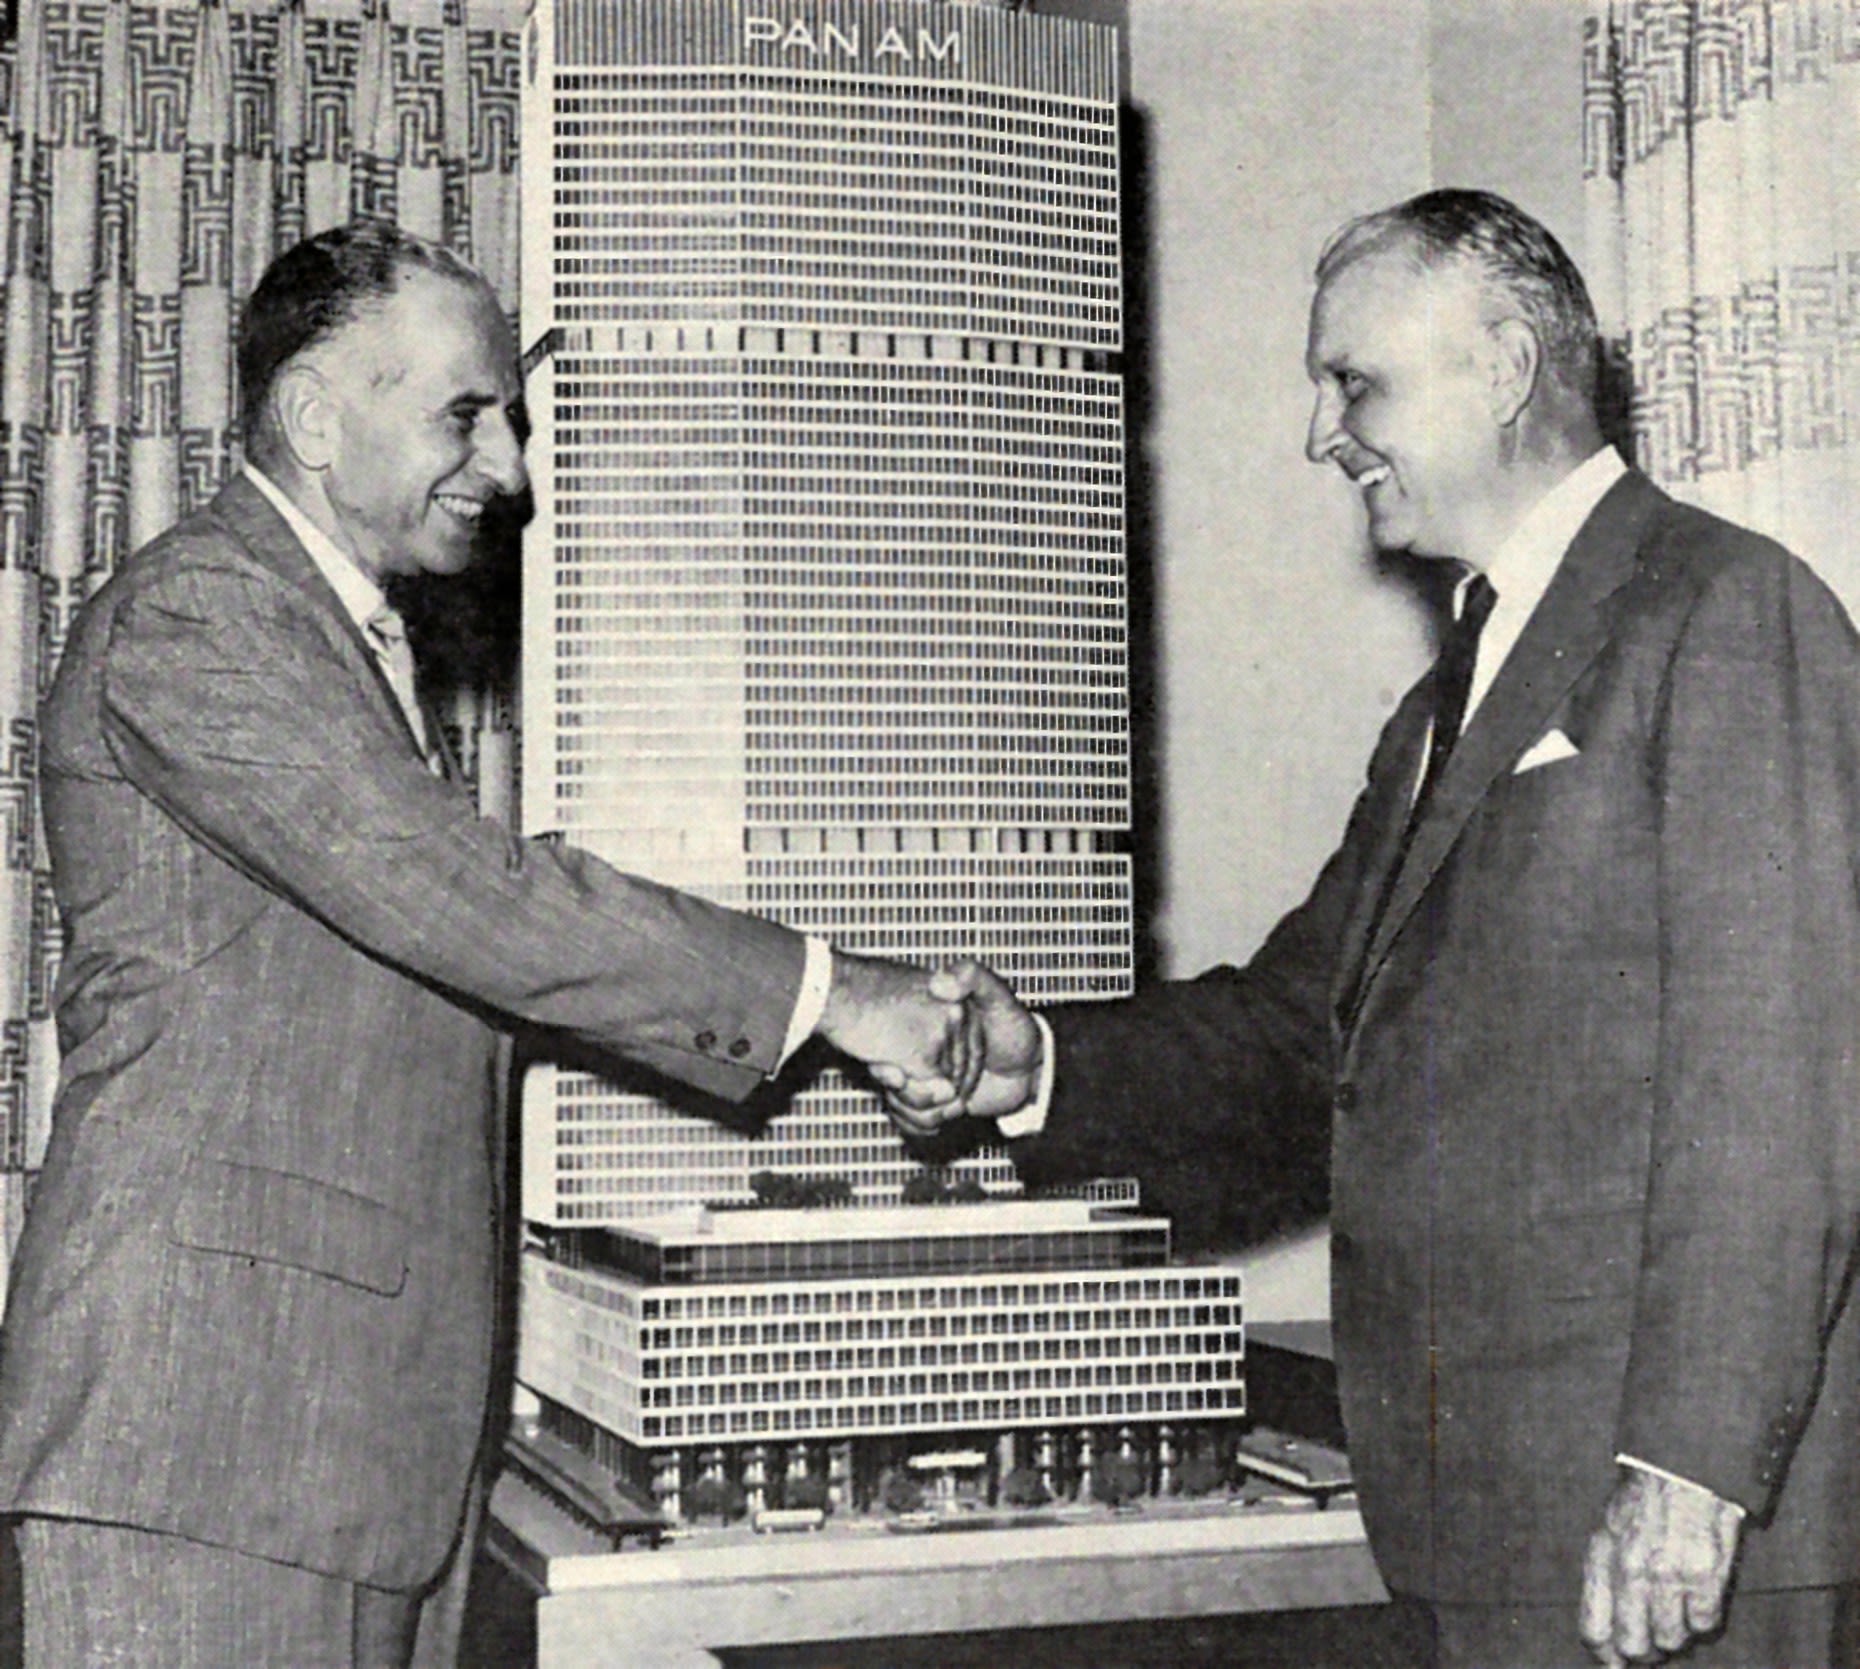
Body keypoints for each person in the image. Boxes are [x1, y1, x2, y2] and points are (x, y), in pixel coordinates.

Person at [0, 222, 982, 1667]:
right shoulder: (198, 616)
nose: (511, 466)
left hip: (333, 1449)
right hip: (205, 1450)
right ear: (318, 415)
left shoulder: (324, 644)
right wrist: (839, 998)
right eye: (467, 412)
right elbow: (479, 899)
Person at [942, 190, 1860, 1667]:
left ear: (1503, 370)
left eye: (1353, 382)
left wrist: (1687, 1475)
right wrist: (1033, 1062)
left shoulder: (1727, 612)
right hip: (1485, 1523)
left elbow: (1781, 1084)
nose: (1324, 434)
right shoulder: (1450, 703)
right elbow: (1302, 1030)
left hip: (1672, 1551)